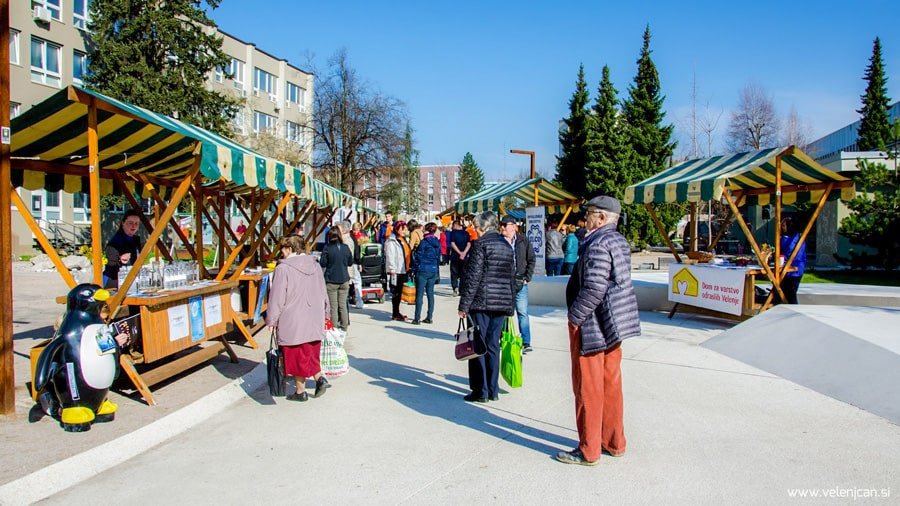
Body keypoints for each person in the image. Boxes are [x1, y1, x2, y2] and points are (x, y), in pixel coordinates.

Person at [557, 196, 641, 466]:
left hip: (593, 325)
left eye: (590, 214)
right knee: (611, 385)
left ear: (602, 218)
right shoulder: (618, 240)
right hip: (614, 324)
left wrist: (575, 317)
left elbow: (594, 287)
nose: (586, 218)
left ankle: (588, 449)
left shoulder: (597, 244)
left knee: (588, 389)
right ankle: (614, 441)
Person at [458, 211, 516, 403]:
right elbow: (511, 279)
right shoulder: (507, 247)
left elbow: (472, 278)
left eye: (476, 227)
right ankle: (493, 389)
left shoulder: (480, 246)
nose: (475, 231)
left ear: (483, 227)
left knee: (477, 347)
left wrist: (464, 304)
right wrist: (510, 305)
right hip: (500, 304)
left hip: (481, 303)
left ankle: (480, 390)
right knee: (493, 346)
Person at [266, 235, 332, 402]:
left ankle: (300, 391)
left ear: (289, 249)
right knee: (311, 350)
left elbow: (277, 297)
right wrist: (326, 313)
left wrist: (272, 320)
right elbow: (323, 291)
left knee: (295, 355)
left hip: (293, 318)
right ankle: (319, 378)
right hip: (314, 315)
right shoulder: (315, 266)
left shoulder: (283, 269)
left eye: (283, 248)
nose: (281, 252)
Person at [500, 216, 535, 354]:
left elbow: (531, 259)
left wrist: (527, 277)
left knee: (522, 312)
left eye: (505, 225)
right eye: (501, 224)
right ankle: (503, 337)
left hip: (521, 281)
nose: (502, 227)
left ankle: (526, 341)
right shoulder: (499, 241)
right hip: (504, 282)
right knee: (504, 312)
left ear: (514, 226)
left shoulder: (523, 241)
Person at [319, 228, 354, 331]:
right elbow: (350, 262)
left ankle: (334, 329)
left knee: (333, 306)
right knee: (342, 305)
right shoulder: (345, 247)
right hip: (344, 279)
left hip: (331, 280)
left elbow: (323, 263)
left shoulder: (327, 248)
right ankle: (344, 328)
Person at [103, 209, 143, 288]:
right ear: (123, 223)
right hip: (113, 281)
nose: (133, 226)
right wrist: (120, 259)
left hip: (131, 279)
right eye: (130, 223)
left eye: (136, 223)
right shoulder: (115, 241)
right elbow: (111, 265)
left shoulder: (136, 239)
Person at [412, 222, 441, 325]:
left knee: (419, 295)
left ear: (427, 229)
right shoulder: (437, 242)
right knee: (430, 294)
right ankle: (429, 317)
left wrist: (415, 267)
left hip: (423, 269)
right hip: (433, 269)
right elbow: (438, 257)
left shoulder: (423, 242)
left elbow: (418, 256)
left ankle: (417, 318)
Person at [385, 221, 412, 321]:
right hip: (396, 270)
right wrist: (392, 269)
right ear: (397, 229)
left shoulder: (403, 239)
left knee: (400, 292)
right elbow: (390, 255)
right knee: (396, 292)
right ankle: (395, 313)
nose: (404, 231)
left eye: (405, 229)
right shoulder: (392, 241)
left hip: (404, 269)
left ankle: (397, 311)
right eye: (402, 229)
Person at [779, 216, 806, 304]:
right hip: (788, 269)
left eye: (783, 226)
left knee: (790, 294)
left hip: (794, 270)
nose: (781, 228)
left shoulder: (795, 238)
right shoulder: (788, 237)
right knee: (783, 293)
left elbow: (793, 252)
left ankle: (793, 312)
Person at [340, 221, 364, 310]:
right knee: (357, 281)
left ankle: (356, 300)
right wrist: (359, 262)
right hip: (353, 262)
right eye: (354, 229)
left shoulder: (349, 237)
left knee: (352, 281)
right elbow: (357, 251)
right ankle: (358, 300)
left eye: (356, 230)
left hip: (352, 262)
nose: (355, 231)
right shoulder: (352, 238)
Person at [449, 220, 471, 296]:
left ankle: (455, 287)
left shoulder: (453, 233)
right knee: (464, 273)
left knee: (454, 273)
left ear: (456, 225)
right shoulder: (466, 233)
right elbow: (469, 244)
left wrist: (459, 252)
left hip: (455, 256)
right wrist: (464, 253)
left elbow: (452, 243)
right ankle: (462, 290)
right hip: (465, 257)